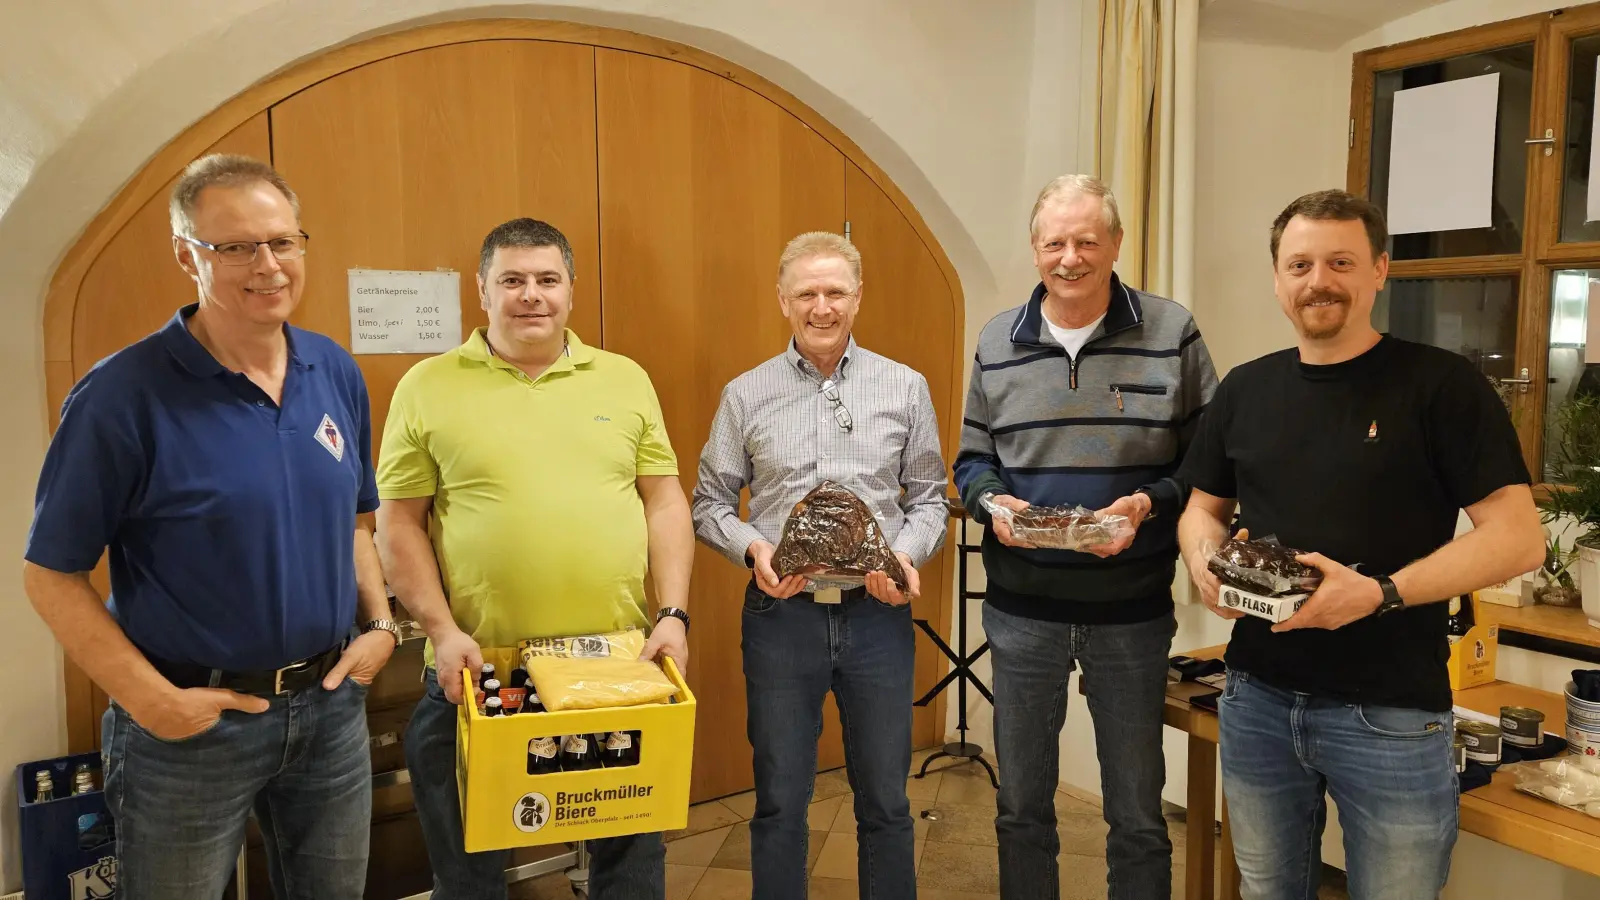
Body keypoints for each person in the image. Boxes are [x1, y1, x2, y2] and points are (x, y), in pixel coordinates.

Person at [23, 154, 395, 898]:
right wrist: (149, 699)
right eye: (235, 247)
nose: (268, 265)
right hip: (189, 728)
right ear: (186, 255)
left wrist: (381, 624)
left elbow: (357, 523)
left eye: (283, 241)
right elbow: (50, 574)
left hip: (327, 710)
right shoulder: (122, 395)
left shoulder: (333, 371)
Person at [1176, 189, 1545, 899]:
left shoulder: (1440, 386)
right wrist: (1202, 559)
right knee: (1265, 889)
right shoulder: (1246, 390)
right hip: (1255, 696)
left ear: (1379, 270)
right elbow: (1202, 508)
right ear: (1278, 280)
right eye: (1300, 264)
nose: (1319, 281)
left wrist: (1381, 594)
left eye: (1340, 261)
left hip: (1392, 714)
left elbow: (1519, 538)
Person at [378, 217, 693, 899]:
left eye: (547, 280)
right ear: (482, 290)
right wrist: (439, 629)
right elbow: (399, 523)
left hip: (615, 665)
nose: (531, 295)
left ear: (571, 290)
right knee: (467, 870)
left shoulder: (624, 379)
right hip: (476, 669)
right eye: (512, 280)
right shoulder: (427, 385)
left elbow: (664, 503)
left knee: (631, 864)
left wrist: (672, 612)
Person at [952, 174, 1217, 898]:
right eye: (1054, 243)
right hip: (1021, 610)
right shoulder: (997, 341)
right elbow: (972, 459)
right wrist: (991, 503)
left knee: (1136, 813)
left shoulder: (1172, 331)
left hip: (1130, 611)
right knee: (1021, 808)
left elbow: (1211, 463)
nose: (1070, 258)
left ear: (1117, 245)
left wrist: (1149, 503)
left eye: (1086, 241)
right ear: (1035, 249)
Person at [691, 231, 948, 899]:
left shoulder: (904, 386)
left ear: (858, 297)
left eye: (836, 291)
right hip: (782, 618)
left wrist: (906, 557)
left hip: (878, 619)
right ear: (783, 300)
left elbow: (928, 499)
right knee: (779, 800)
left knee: (887, 802)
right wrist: (754, 548)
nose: (822, 306)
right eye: (807, 292)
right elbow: (710, 502)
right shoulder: (746, 394)